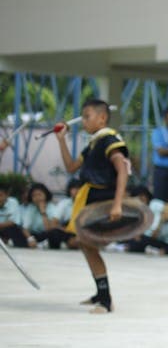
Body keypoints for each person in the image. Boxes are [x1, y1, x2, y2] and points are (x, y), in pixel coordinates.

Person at [54, 99, 131, 314]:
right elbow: (71, 167)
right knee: (86, 245)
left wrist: (117, 205)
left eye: (87, 116)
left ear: (102, 117)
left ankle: (105, 300)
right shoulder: (94, 143)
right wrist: (62, 140)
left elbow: (122, 170)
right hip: (89, 200)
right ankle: (101, 292)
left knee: (88, 244)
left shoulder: (110, 140)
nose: (84, 121)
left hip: (102, 201)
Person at [16, 183, 62, 248]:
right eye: (34, 196)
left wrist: (43, 212)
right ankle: (36, 245)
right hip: (34, 235)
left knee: (55, 233)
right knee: (17, 231)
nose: (37, 198)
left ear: (45, 195)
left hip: (46, 234)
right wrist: (30, 239)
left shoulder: (52, 207)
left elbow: (49, 229)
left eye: (39, 194)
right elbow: (25, 228)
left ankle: (41, 245)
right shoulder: (31, 207)